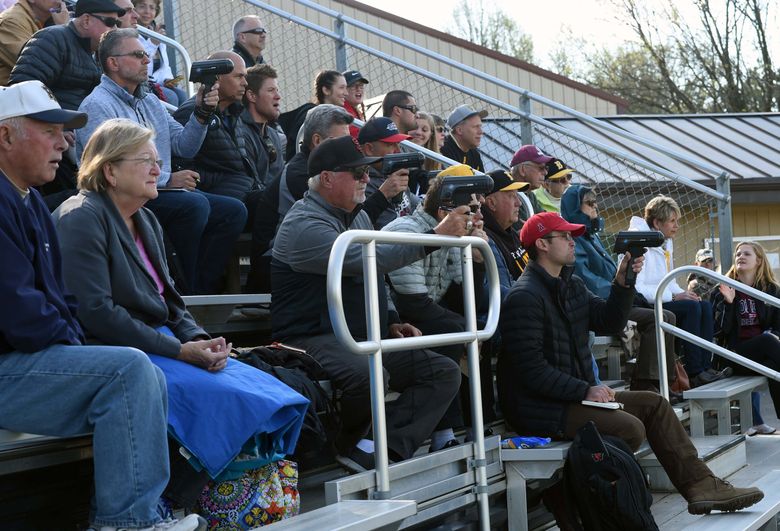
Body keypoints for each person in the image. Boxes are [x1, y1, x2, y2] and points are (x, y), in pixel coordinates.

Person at [53, 117, 307, 502]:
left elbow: (171, 301)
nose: (158, 169)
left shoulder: (147, 218)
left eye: (157, 159)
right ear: (110, 169)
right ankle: (172, 500)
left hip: (161, 343)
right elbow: (96, 313)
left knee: (270, 389)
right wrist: (179, 350)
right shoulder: (81, 217)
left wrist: (200, 340)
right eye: (145, 160)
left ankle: (191, 497)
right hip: (116, 349)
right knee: (229, 398)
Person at [0, 80, 206, 531]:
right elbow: (20, 311)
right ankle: (127, 523)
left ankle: (135, 515)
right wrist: (69, 338)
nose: (64, 141)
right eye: (49, 129)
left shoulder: (29, 198)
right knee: (131, 370)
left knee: (144, 373)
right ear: (6, 136)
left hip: (25, 358)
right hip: (9, 365)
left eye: (66, 131)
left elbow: (59, 298)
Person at [498, 211, 764, 516]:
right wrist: (585, 389)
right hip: (540, 407)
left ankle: (703, 487)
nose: (573, 242)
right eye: (565, 237)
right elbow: (530, 370)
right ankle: (576, 500)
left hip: (571, 397)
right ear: (542, 245)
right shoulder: (524, 296)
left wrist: (624, 282)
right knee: (629, 427)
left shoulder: (570, 285)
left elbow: (609, 321)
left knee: (655, 404)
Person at [271, 135, 472, 470]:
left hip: (359, 337)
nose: (367, 179)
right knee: (369, 373)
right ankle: (337, 449)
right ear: (327, 178)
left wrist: (391, 317)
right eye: (357, 173)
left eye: (366, 172)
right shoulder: (302, 223)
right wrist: (435, 237)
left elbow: (375, 276)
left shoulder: (358, 217)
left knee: (442, 371)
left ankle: (375, 448)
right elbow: (364, 259)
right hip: (307, 339)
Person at [77, 29, 246, 294]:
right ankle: (182, 294)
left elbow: (184, 147)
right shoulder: (96, 105)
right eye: (138, 55)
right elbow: (110, 165)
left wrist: (202, 114)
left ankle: (200, 290)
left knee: (232, 211)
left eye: (146, 54)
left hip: (155, 191)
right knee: (194, 205)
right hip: (118, 197)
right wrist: (167, 179)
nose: (147, 60)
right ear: (113, 63)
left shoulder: (151, 102)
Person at [382, 165, 490, 450]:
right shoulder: (407, 230)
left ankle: (480, 424)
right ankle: (445, 433)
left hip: (420, 311)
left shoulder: (453, 235)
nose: (479, 217)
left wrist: (477, 261)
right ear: (446, 211)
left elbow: (467, 301)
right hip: (393, 319)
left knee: (480, 329)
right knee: (457, 332)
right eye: (472, 210)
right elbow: (411, 302)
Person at [560, 184, 681, 398]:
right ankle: (645, 382)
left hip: (613, 300)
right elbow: (585, 278)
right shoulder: (572, 239)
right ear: (574, 208)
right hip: (598, 305)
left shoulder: (591, 237)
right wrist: (619, 288)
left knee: (668, 316)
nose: (595, 208)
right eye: (589, 204)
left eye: (595, 203)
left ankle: (666, 381)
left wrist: (625, 289)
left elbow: (610, 273)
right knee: (659, 318)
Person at [628, 195, 730, 387]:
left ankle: (706, 367)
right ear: (657, 223)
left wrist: (684, 293)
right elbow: (637, 287)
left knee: (703, 306)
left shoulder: (665, 241)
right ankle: (694, 371)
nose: (676, 226)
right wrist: (674, 295)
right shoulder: (637, 242)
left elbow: (669, 279)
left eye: (677, 221)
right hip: (644, 303)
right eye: (672, 221)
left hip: (661, 298)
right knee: (692, 309)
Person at [712, 241, 780, 435]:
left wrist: (774, 335)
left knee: (775, 364)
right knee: (768, 342)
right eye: (738, 253)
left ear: (759, 260)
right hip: (734, 354)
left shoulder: (771, 290)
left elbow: (778, 327)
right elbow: (718, 331)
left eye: (747, 254)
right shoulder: (724, 288)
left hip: (762, 353)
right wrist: (729, 302)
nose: (740, 256)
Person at [241, 63, 285, 292]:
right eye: (271, 90)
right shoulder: (238, 129)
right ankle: (260, 282)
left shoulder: (273, 134)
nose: (278, 96)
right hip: (248, 202)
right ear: (251, 95)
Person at [359, 116, 419, 229]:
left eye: (398, 144)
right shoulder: (361, 182)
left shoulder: (391, 173)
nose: (398, 150)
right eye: (390, 144)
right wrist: (383, 194)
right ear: (369, 149)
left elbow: (418, 206)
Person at [481, 169, 529, 298]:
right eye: (511, 196)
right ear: (491, 203)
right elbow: (502, 292)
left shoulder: (510, 232)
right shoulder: (485, 238)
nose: (518, 203)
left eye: (517, 195)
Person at [280, 70, 347, 161]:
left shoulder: (331, 117)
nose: (346, 93)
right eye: (341, 88)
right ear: (326, 90)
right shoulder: (309, 115)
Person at [0, 0, 68, 85]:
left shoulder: (49, 20)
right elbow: (38, 66)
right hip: (13, 96)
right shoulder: (10, 22)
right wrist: (63, 29)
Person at [133, 0, 187, 106]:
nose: (147, 11)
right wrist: (152, 43)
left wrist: (168, 79)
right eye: (142, 7)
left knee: (183, 96)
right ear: (133, 9)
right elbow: (139, 61)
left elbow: (165, 66)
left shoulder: (157, 32)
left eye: (152, 8)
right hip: (143, 84)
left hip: (159, 84)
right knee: (171, 97)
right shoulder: (131, 33)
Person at [509, 144, 550, 223]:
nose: (545, 172)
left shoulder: (529, 194)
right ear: (523, 170)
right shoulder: (508, 194)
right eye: (541, 168)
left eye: (546, 168)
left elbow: (547, 222)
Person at [440, 104, 486, 172]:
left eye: (480, 126)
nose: (481, 132)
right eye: (475, 127)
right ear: (459, 130)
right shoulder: (444, 149)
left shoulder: (474, 153)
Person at [409, 110, 441, 175]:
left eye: (424, 130)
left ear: (431, 134)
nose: (418, 132)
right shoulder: (398, 151)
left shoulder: (437, 159)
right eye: (414, 127)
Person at [342, 69, 367, 139]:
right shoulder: (344, 110)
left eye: (361, 85)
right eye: (353, 86)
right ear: (344, 90)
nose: (358, 89)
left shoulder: (353, 109)